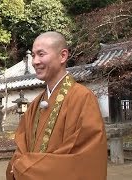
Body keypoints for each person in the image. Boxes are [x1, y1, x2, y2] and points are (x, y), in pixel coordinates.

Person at [6, 32, 108, 180]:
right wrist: (20, 165)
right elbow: (21, 148)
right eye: (33, 56)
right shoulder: (35, 104)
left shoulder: (83, 98)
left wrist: (26, 168)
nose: (35, 61)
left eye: (41, 54)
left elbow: (84, 155)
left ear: (63, 56)